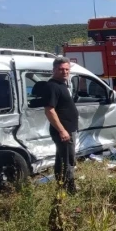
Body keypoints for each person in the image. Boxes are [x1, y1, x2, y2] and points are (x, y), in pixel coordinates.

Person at [42, 57, 79, 194]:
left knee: (61, 158)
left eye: (67, 69)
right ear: (54, 70)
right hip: (63, 131)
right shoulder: (52, 86)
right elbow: (49, 110)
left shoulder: (62, 84)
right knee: (68, 161)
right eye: (61, 69)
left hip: (68, 129)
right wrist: (62, 130)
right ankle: (70, 190)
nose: (64, 72)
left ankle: (60, 183)